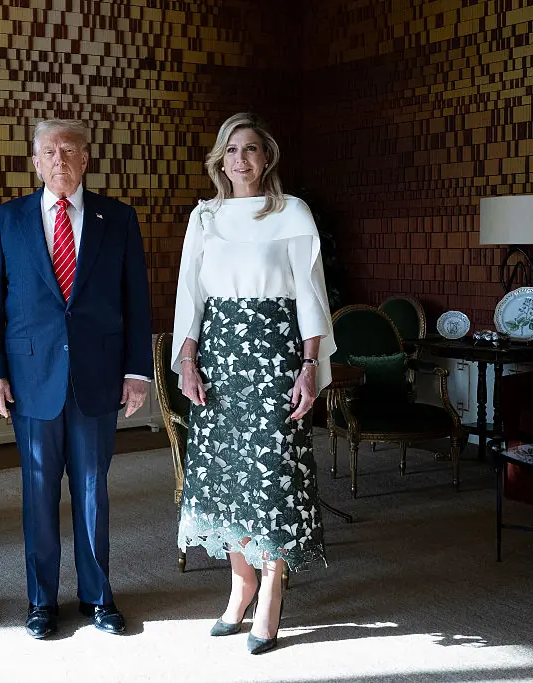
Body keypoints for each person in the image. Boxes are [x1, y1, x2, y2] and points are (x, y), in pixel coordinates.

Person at [0, 119, 152, 639]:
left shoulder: (117, 218)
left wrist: (137, 372)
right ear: (35, 162)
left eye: (70, 150)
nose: (60, 160)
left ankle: (98, 596)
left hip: (99, 376)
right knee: (37, 493)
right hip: (30, 378)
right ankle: (41, 602)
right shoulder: (5, 220)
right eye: (50, 152)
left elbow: (136, 301)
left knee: (93, 490)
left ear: (86, 158)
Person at [172, 112, 336, 655]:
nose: (240, 159)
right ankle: (240, 583)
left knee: (272, 472)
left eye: (250, 149)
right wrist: (188, 360)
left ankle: (271, 587)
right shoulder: (205, 217)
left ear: (266, 158)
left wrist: (309, 365)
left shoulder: (291, 212)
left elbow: (309, 294)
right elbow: (191, 296)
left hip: (274, 354)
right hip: (219, 356)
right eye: (231, 150)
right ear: (220, 161)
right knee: (225, 474)